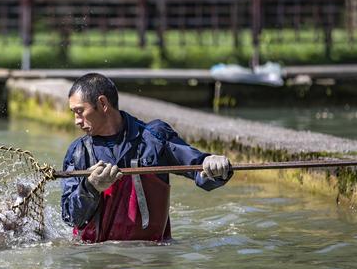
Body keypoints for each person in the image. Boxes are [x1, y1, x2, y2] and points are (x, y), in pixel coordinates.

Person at [61, 73, 232, 243]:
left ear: (103, 104)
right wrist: (90, 187)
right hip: (95, 259)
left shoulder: (154, 137)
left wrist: (213, 165)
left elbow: (199, 169)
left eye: (80, 111)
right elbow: (70, 217)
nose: (76, 120)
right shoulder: (78, 152)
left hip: (150, 258)